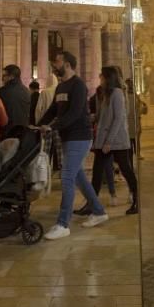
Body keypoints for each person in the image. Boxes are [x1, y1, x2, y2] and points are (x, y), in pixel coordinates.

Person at [39, 51, 108, 240]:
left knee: (67, 176)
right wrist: (40, 124)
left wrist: (52, 127)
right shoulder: (62, 86)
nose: (54, 64)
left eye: (58, 61)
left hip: (80, 137)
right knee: (78, 177)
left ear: (67, 64)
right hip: (67, 136)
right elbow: (53, 109)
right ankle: (99, 211)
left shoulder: (78, 86)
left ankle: (63, 224)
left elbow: (75, 113)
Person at [87, 66, 138, 215]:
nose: (100, 79)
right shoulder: (107, 94)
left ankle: (136, 200)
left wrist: (109, 141)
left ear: (108, 78)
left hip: (116, 141)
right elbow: (104, 115)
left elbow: (119, 119)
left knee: (126, 170)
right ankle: (92, 204)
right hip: (105, 140)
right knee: (97, 172)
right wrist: (93, 118)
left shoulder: (117, 93)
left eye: (102, 76)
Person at [35, 73, 63, 170]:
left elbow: (39, 109)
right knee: (59, 149)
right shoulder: (59, 90)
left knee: (46, 149)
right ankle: (60, 168)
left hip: (46, 124)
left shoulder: (44, 92)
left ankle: (45, 169)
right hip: (57, 123)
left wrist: (38, 123)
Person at [0, 65, 30, 135]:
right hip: (23, 131)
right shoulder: (26, 91)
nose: (2, 78)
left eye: (4, 75)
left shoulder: (2, 92)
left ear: (11, 76)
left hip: (7, 131)